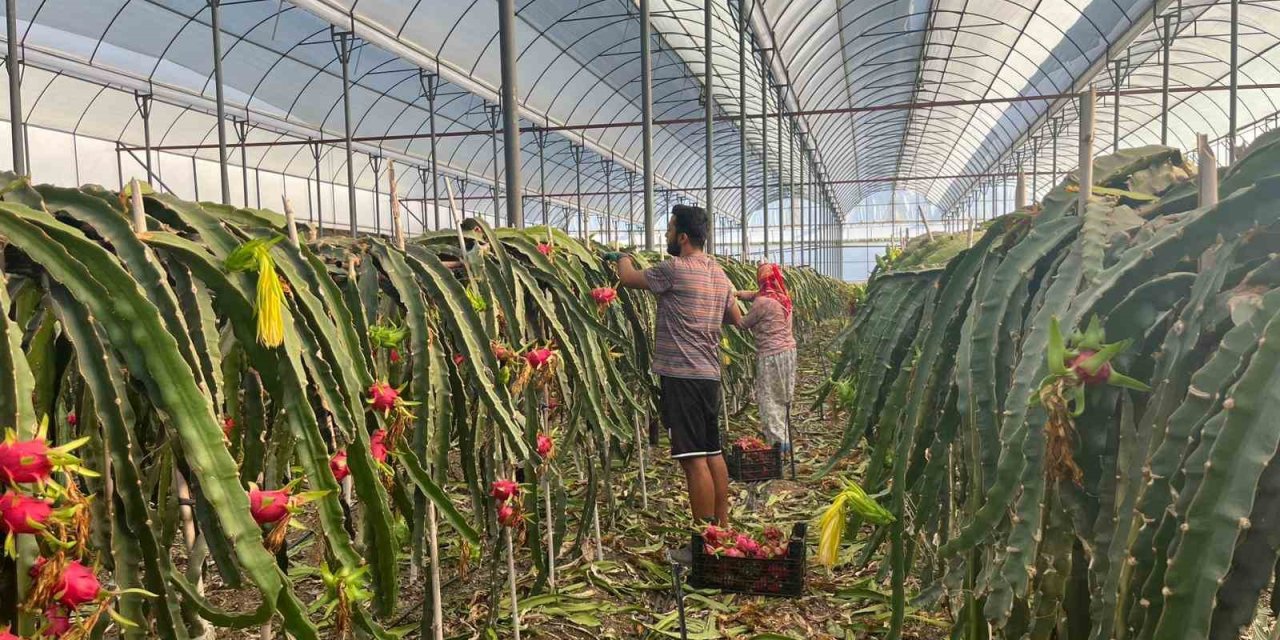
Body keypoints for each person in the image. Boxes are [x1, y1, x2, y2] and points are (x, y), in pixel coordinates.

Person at [607, 205, 741, 530]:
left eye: (669, 230)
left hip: (682, 377)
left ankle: (705, 540)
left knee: (694, 461)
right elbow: (734, 318)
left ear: (682, 237)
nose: (666, 235)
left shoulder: (674, 269)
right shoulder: (720, 275)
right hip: (709, 375)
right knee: (712, 452)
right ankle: (721, 528)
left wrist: (620, 255)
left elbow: (627, 278)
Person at [735, 264, 797, 451]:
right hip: (788, 353)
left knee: (768, 398)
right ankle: (785, 436)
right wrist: (738, 294)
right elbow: (755, 294)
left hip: (771, 355)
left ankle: (778, 444)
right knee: (783, 397)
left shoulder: (762, 303)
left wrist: (727, 309)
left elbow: (743, 323)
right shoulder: (782, 297)